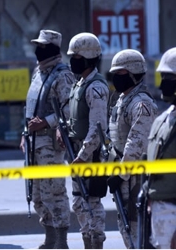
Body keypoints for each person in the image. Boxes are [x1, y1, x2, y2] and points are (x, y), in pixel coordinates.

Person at [19, 29, 76, 249]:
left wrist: (46, 122)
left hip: (50, 144)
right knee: (36, 194)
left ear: (52, 49)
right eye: (38, 46)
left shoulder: (63, 75)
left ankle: (61, 241)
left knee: (54, 192)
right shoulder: (38, 72)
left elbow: (69, 110)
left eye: (43, 47)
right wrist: (26, 134)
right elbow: (31, 106)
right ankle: (49, 237)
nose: (38, 50)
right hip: (33, 142)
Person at [107, 49, 158, 248]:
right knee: (126, 227)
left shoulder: (141, 104)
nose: (114, 78)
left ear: (133, 74)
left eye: (119, 74)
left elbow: (136, 143)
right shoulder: (122, 99)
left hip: (134, 177)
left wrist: (121, 174)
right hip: (123, 175)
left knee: (137, 230)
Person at [65, 32, 109, 249]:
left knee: (92, 202)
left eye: (76, 57)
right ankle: (86, 241)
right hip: (77, 153)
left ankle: (95, 243)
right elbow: (74, 116)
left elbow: (97, 129)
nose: (72, 61)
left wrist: (83, 156)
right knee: (79, 202)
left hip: (90, 155)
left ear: (88, 58)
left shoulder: (96, 87)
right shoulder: (79, 84)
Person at [145, 47, 176, 249]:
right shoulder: (163, 119)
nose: (164, 83)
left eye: (170, 77)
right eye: (163, 76)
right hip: (158, 211)